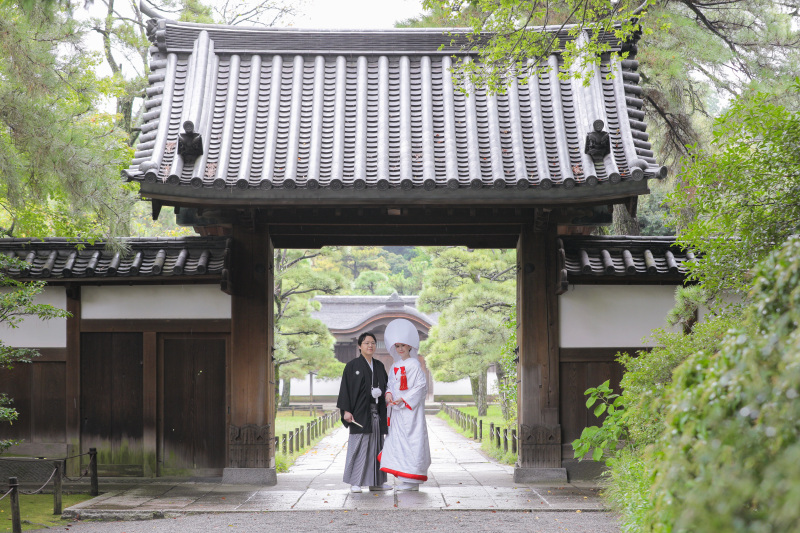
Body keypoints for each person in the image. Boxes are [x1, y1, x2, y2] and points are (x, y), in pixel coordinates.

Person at [379, 319, 431, 491]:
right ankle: (404, 476)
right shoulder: (395, 366)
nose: (400, 349)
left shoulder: (415, 365)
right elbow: (391, 385)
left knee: (413, 441)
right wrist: (388, 395)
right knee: (397, 442)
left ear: (410, 347)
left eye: (403, 345)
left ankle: (413, 479)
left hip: (410, 411)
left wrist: (405, 399)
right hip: (397, 411)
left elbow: (421, 386)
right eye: (398, 346)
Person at [336, 331, 392, 493]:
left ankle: (377, 482)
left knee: (377, 447)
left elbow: (387, 386)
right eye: (366, 343)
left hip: (376, 414)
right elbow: (345, 390)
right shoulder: (352, 366)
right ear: (359, 346)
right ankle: (356, 482)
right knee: (359, 447)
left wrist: (383, 393)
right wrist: (346, 410)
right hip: (359, 413)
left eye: (373, 343)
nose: (370, 346)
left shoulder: (379, 366)